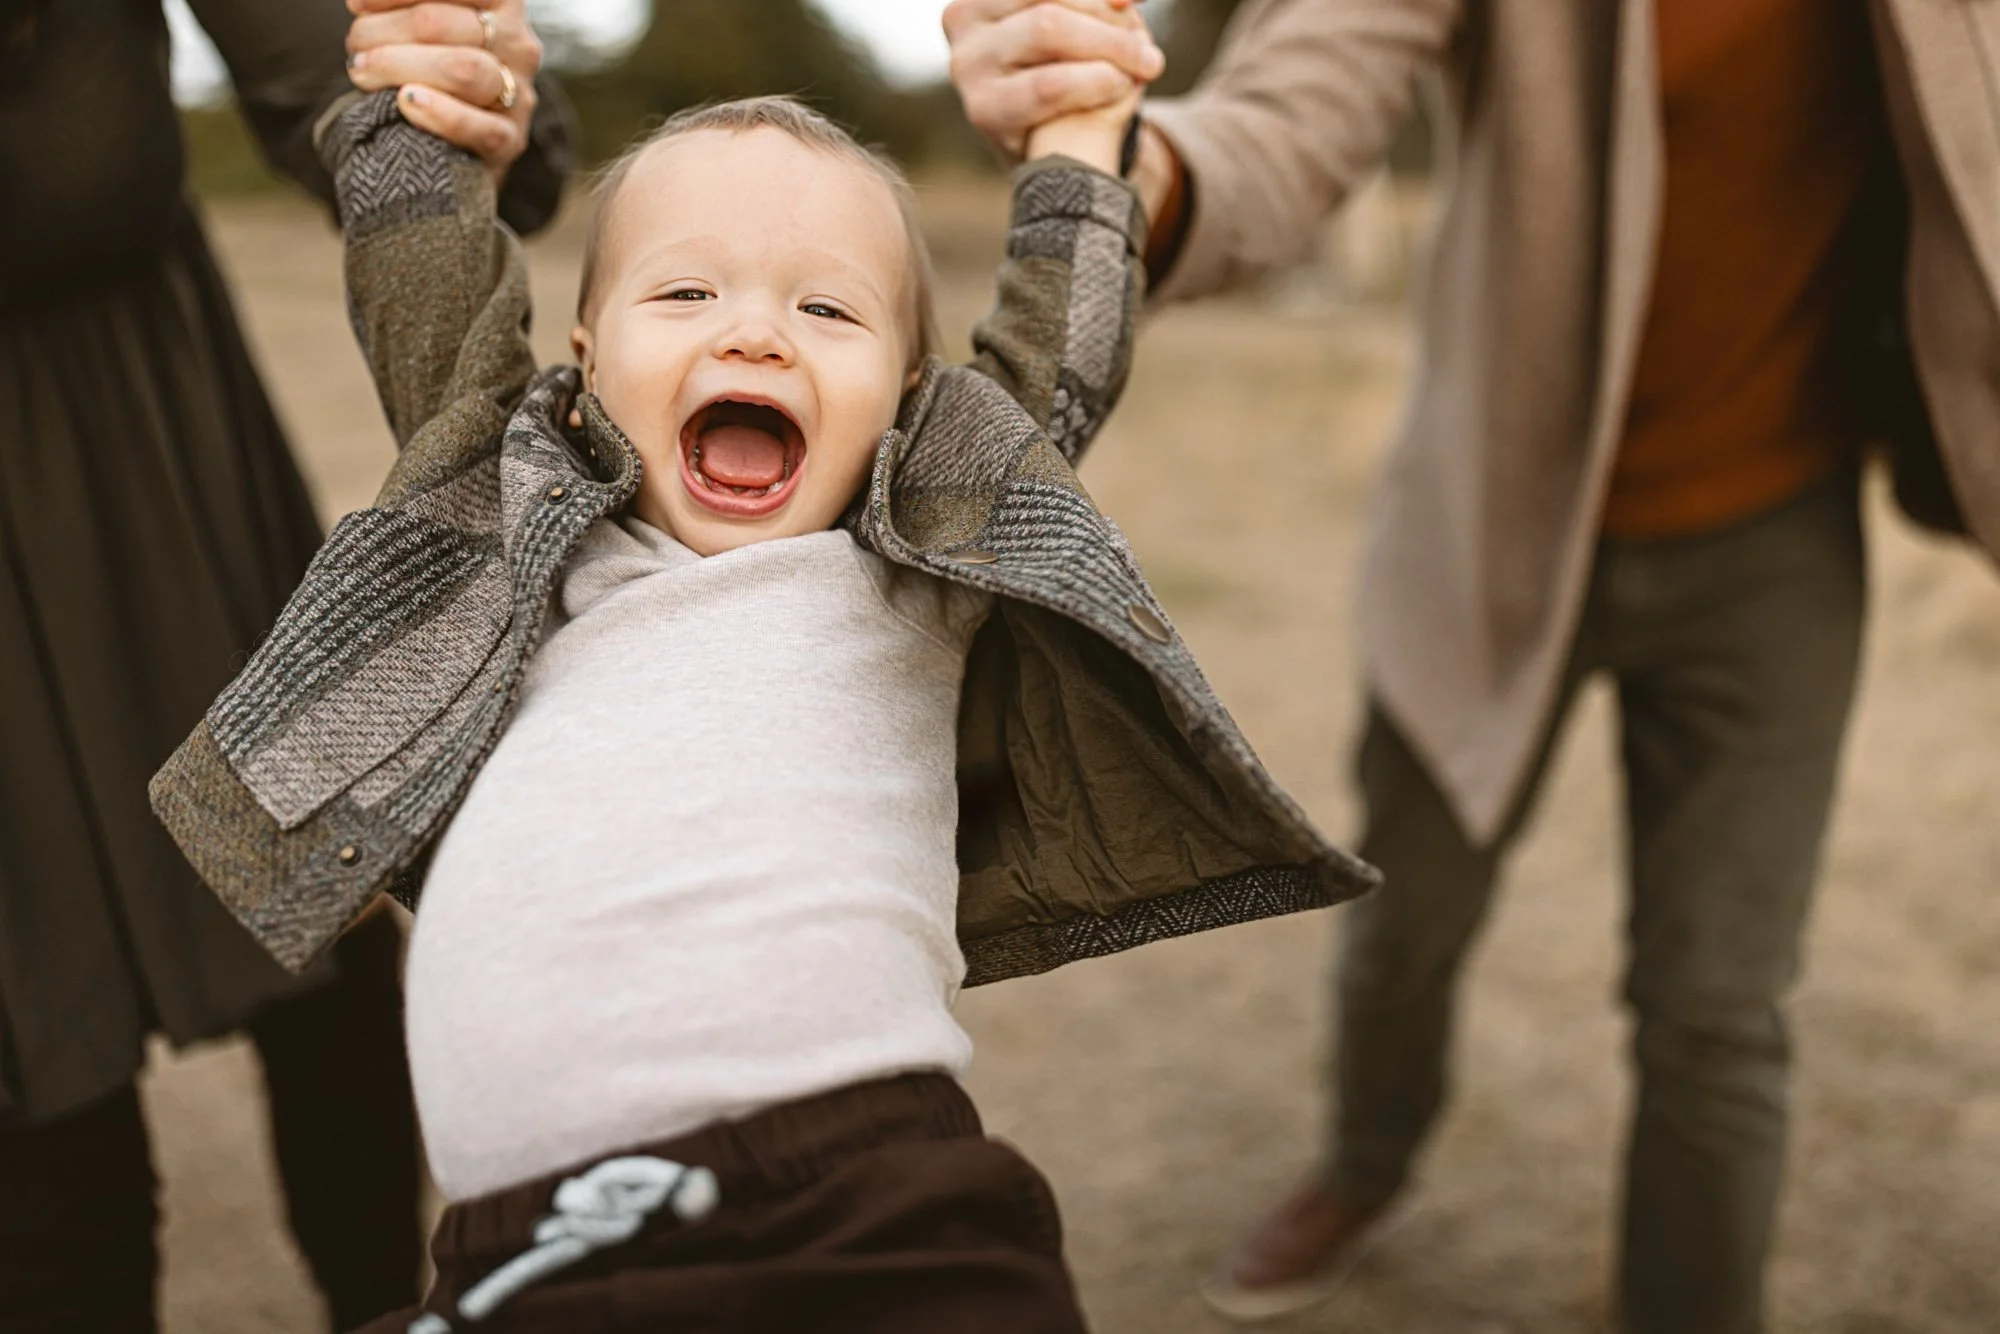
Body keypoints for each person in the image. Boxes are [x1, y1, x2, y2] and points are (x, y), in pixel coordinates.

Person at [146, 14, 1380, 1329]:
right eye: (684, 294)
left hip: (869, 1199)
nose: (755, 337)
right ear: (584, 360)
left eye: (828, 309)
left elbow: (1058, 348)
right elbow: (425, 288)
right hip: (525, 1253)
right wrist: (413, 109)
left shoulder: (917, 556)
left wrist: (1080, 140)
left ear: (908, 396)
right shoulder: (511, 531)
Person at [944, 1, 2000, 1330]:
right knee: (1406, 928)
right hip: (1493, 516)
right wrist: (1112, 160)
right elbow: (1288, 117)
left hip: (1775, 537)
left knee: (1724, 1011)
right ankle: (1362, 1168)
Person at [0, 0, 567, 1328]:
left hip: (159, 443)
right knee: (33, 1069)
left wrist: (444, 97)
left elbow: (362, 72)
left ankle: (390, 1301)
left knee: (321, 920)